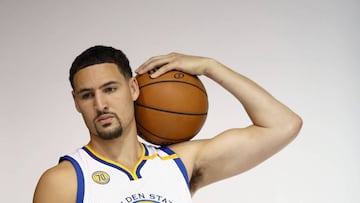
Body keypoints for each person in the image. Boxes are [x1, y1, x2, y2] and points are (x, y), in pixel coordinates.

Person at [33, 45, 302, 203]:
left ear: (133, 88)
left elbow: (283, 125)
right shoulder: (63, 182)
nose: (100, 104)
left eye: (110, 89)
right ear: (76, 101)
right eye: (87, 95)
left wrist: (210, 66)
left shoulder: (179, 163)